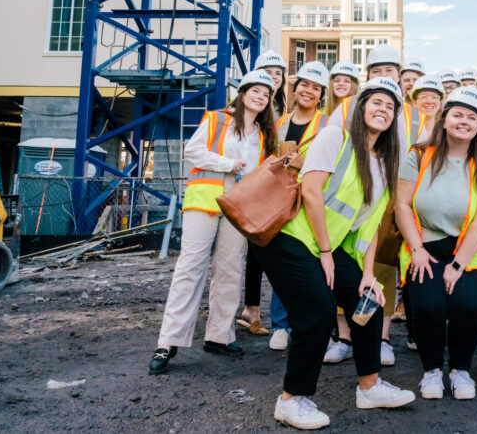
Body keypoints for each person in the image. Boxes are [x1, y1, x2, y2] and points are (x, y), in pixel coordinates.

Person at [252, 78, 415, 430]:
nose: (383, 110)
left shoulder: (385, 163)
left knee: (367, 301)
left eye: (390, 107)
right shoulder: (336, 137)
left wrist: (367, 275)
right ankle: (291, 400)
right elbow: (311, 192)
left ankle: (369, 388)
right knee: (318, 311)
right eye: (376, 103)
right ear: (360, 107)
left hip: (325, 247)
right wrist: (326, 252)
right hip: (289, 238)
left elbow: (368, 228)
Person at [148, 70, 277, 375]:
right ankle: (168, 342)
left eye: (266, 94)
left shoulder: (261, 135)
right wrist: (226, 164)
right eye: (256, 91)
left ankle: (220, 335)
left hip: (238, 208)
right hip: (204, 202)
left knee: (230, 267)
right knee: (190, 267)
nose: (261, 97)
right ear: (243, 92)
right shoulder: (217, 119)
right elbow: (192, 151)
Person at [394, 86, 477, 401]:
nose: (463, 121)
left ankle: (460, 369)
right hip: (424, 244)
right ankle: (431, 371)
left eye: (471, 117)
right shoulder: (418, 155)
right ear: (444, 119)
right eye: (457, 114)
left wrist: (457, 265)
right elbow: (401, 205)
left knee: (466, 308)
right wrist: (416, 250)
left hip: (468, 248)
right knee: (428, 308)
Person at [326, 44, 409, 367]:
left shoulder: (410, 110)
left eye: (389, 71)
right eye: (376, 72)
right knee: (345, 264)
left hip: (392, 198)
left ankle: (382, 338)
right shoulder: (348, 108)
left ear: (399, 75)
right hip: (351, 199)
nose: (383, 76)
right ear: (368, 77)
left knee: (383, 268)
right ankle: (344, 337)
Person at [241, 61, 331, 348]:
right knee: (282, 266)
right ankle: (281, 325)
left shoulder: (328, 125)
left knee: (311, 266)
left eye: (315, 88)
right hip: (280, 202)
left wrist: (305, 164)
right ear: (295, 89)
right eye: (304, 84)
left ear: (321, 95)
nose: (308, 91)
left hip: (314, 202)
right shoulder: (277, 124)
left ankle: (310, 323)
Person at [409, 75, 444, 143]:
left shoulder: (446, 131)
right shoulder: (405, 129)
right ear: (415, 103)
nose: (429, 101)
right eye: (424, 97)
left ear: (440, 103)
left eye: (434, 97)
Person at [254, 49, 288, 117]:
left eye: (278, 73)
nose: (274, 77)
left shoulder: (277, 104)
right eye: (268, 72)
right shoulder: (251, 101)